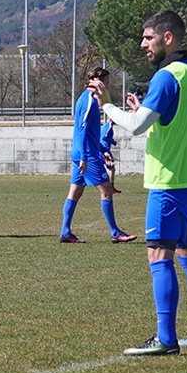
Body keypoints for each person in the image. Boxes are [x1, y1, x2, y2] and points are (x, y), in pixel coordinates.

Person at [91, 10, 187, 355]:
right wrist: (139, 109)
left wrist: (108, 106)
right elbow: (170, 121)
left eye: (148, 37)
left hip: (170, 183)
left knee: (157, 254)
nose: (143, 44)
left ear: (167, 38)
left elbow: (136, 127)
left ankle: (165, 338)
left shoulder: (167, 76)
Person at [58, 68, 136, 244]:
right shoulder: (89, 102)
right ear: (95, 81)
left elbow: (90, 132)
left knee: (75, 192)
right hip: (86, 155)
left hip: (82, 153)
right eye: (106, 83)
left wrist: (102, 150)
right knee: (107, 191)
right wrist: (86, 157)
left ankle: (65, 231)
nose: (106, 87)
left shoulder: (88, 99)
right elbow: (83, 130)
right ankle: (115, 233)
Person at [100, 117, 121, 194]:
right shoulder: (108, 126)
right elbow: (104, 137)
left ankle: (109, 187)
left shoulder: (105, 126)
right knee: (111, 168)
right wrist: (113, 141)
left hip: (102, 149)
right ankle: (110, 188)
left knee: (110, 168)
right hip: (104, 150)